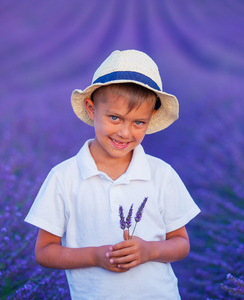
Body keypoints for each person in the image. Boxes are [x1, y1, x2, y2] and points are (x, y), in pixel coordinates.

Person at [25, 49, 201, 299]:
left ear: (150, 120)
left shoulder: (162, 174)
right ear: (90, 108)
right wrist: (95, 256)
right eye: (115, 118)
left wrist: (149, 251)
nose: (125, 132)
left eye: (138, 122)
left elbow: (181, 243)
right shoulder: (63, 177)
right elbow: (45, 251)